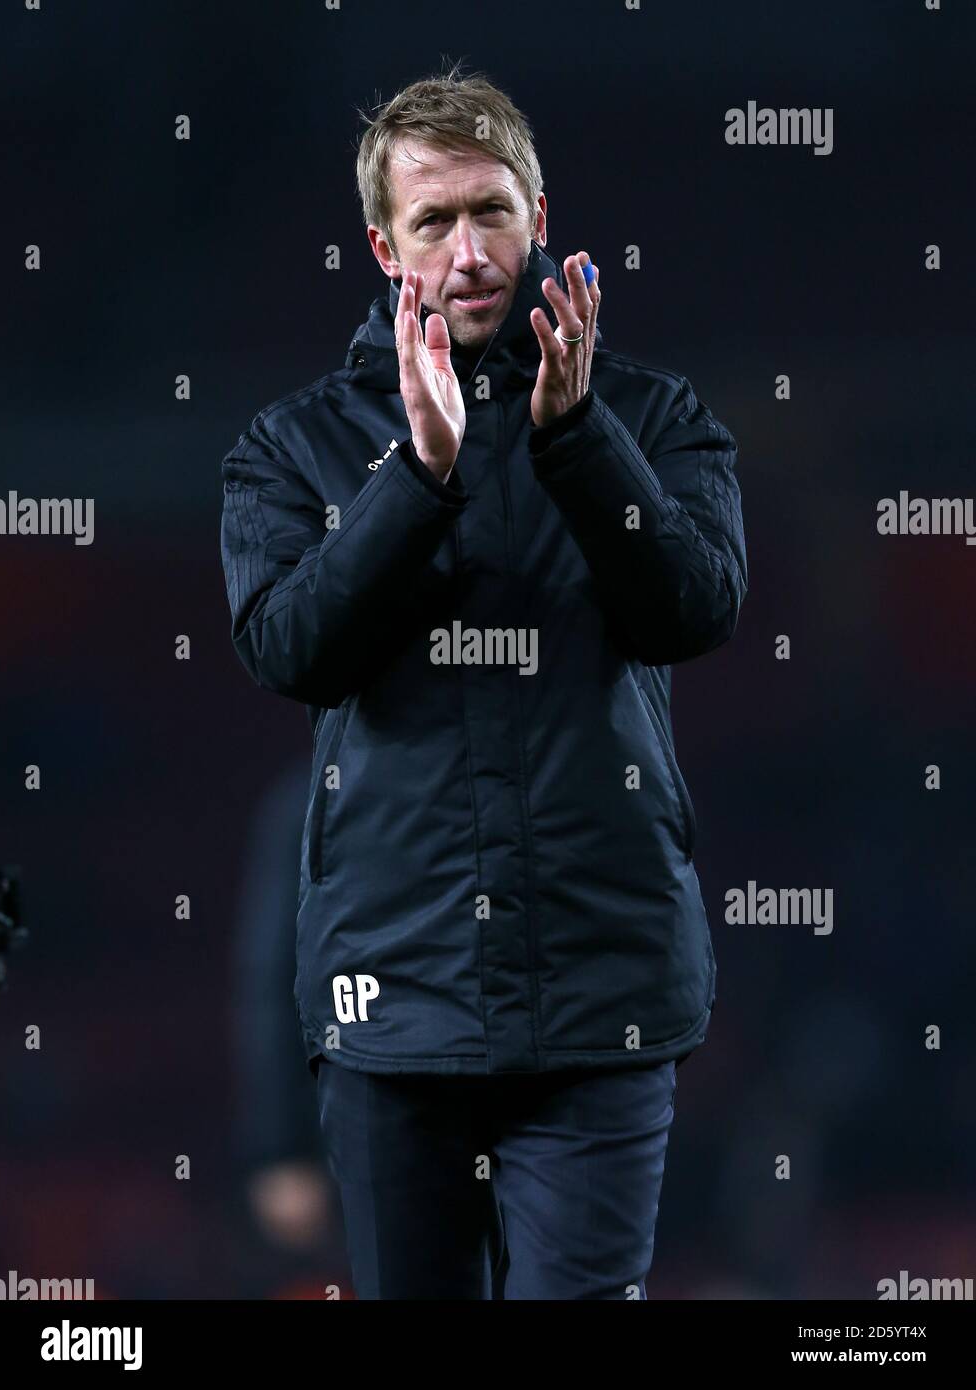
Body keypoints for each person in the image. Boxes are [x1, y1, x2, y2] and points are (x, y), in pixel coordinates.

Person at [219, 63, 747, 1300]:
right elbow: (288, 650)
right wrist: (417, 475)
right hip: (393, 1007)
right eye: (433, 221)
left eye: (491, 211)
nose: (468, 251)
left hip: (603, 1000)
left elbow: (697, 610)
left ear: (541, 216)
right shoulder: (287, 448)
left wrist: (575, 444)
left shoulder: (656, 419)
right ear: (379, 244)